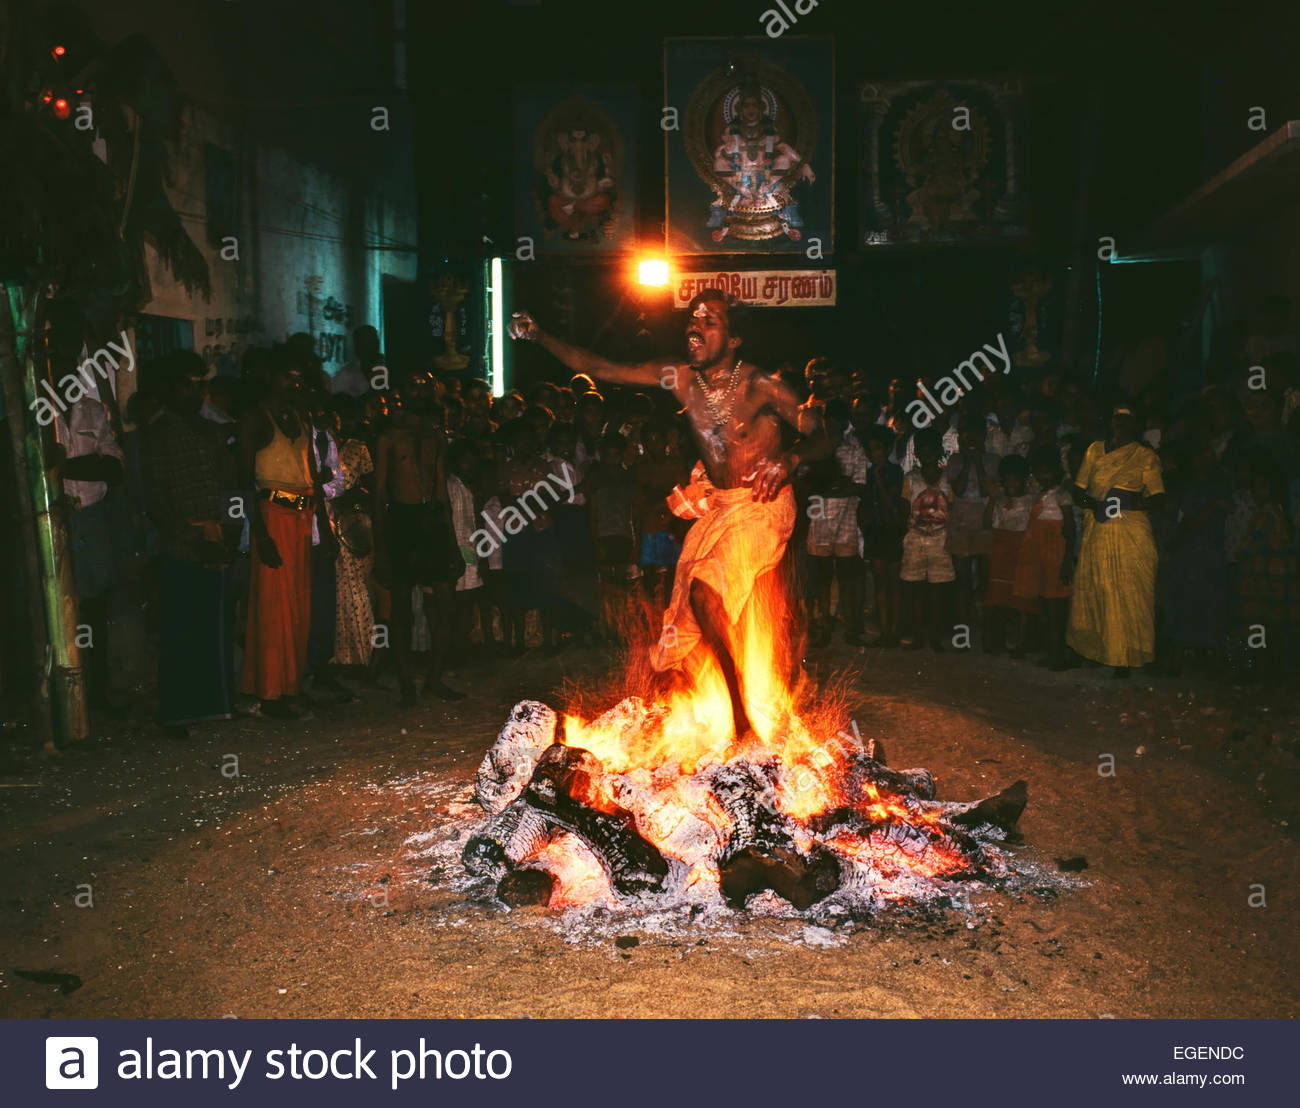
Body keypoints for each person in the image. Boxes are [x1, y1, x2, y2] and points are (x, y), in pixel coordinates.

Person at [509, 289, 828, 739]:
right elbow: (598, 368)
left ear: (734, 340)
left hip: (763, 506)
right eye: (692, 318)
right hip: (719, 507)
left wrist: (790, 461)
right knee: (684, 623)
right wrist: (541, 336)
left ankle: (743, 723)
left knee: (703, 590)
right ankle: (718, 705)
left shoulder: (761, 385)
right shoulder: (679, 378)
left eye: (709, 320)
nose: (695, 326)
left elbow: (821, 434)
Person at [143, 352, 239, 735]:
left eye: (201, 384)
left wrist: (226, 530)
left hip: (212, 535)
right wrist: (188, 534)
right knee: (180, 628)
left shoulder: (206, 428)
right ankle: (177, 713)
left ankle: (209, 707)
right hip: (183, 542)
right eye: (189, 383)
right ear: (171, 386)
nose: (197, 392)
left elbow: (223, 483)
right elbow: (156, 496)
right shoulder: (161, 432)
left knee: (210, 626)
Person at [237, 351, 333, 718]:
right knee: (274, 607)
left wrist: (323, 525)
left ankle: (289, 687)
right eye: (287, 377)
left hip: (301, 515)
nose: (295, 384)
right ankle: (270, 694)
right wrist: (259, 534)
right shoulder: (255, 419)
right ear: (270, 378)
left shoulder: (300, 418)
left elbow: (311, 474)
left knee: (298, 608)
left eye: (299, 377)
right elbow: (245, 480)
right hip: (273, 515)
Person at [373, 376, 464, 703]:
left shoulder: (435, 437)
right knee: (401, 609)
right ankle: (407, 685)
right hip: (402, 520)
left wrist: (452, 543)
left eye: (425, 387)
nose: (420, 391)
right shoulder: (388, 438)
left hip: (432, 522)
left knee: (444, 604)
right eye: (413, 386)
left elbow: (442, 492)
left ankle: (434, 679)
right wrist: (380, 547)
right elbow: (379, 495)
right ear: (401, 394)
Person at [1067, 406, 1166, 677]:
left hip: (1129, 528)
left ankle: (1126, 656)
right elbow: (1078, 491)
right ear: (1109, 421)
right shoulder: (1095, 450)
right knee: (1098, 587)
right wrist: (1097, 505)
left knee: (1130, 590)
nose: (1120, 423)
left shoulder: (1145, 456)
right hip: (1098, 527)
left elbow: (1158, 496)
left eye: (1127, 419)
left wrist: (1126, 502)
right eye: (1116, 417)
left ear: (1136, 424)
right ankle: (1098, 650)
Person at [805, 399, 867, 646]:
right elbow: (810, 484)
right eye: (828, 421)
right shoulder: (814, 448)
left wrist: (829, 488)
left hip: (846, 521)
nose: (832, 426)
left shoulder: (855, 449)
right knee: (821, 577)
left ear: (844, 423)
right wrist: (839, 486)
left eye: (836, 422)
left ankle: (851, 627)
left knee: (846, 575)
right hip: (819, 521)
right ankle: (823, 626)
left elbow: (859, 485)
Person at [1013, 444, 1077, 669]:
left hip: (1056, 556)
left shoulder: (1062, 495)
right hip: (1039, 556)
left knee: (1056, 608)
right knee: (1045, 607)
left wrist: (1067, 560)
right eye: (1040, 472)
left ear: (1057, 472)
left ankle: (1058, 655)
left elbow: (1069, 528)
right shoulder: (1040, 495)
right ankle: (1051, 652)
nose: (1044, 476)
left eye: (1048, 471)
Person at [328, 397, 377, 676]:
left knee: (359, 591)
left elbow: (370, 487)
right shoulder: (320, 448)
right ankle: (340, 659)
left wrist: (354, 498)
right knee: (338, 593)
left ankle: (363, 656)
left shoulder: (359, 449)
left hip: (353, 527)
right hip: (329, 524)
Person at [898, 428, 955, 650]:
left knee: (938, 590)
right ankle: (917, 632)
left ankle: (935, 633)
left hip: (942, 539)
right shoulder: (910, 480)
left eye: (932, 450)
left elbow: (953, 507)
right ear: (918, 454)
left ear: (939, 451)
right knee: (914, 588)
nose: (928, 455)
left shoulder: (948, 480)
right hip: (915, 538)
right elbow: (904, 508)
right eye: (923, 451)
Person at [982, 453, 1036, 655]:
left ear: (1024, 479)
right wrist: (992, 498)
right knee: (998, 598)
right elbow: (988, 523)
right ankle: (996, 640)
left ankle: (1021, 642)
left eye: (1016, 479)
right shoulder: (999, 500)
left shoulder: (1031, 501)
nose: (1012, 483)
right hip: (1001, 551)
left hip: (1022, 551)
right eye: (1008, 479)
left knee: (1021, 599)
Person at [860, 425, 904, 647]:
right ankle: (884, 630)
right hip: (876, 531)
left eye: (876, 449)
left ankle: (894, 630)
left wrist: (877, 478)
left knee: (893, 582)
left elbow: (891, 502)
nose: (873, 454)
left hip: (893, 530)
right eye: (870, 450)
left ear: (886, 450)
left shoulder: (895, 472)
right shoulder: (866, 475)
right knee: (880, 582)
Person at [331, 325, 382, 398]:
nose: (372, 346)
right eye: (366, 342)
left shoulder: (388, 368)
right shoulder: (346, 375)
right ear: (357, 347)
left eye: (373, 341)